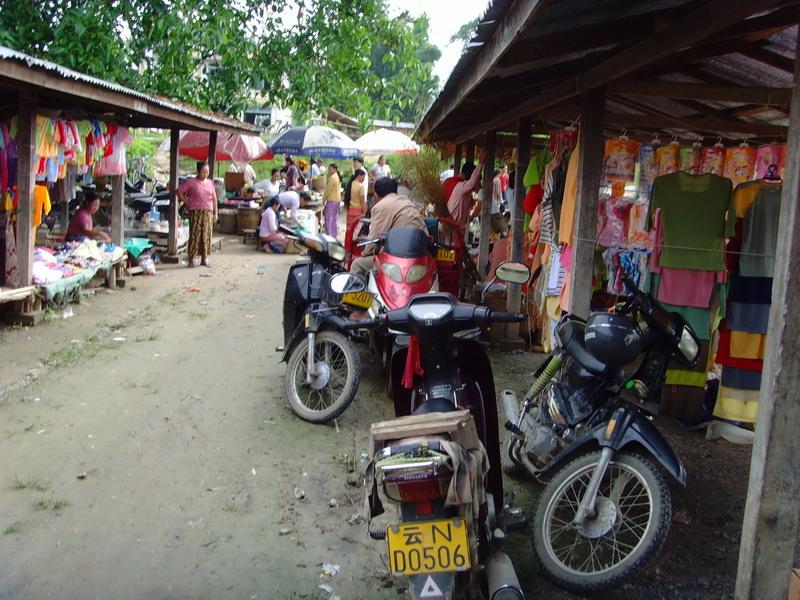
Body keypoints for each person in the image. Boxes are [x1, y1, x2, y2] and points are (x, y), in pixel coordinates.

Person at [350, 177, 427, 277]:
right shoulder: (407, 202)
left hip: (400, 257)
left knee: (357, 264)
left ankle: (358, 293)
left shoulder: (381, 206)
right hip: (421, 252)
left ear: (376, 195)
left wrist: (364, 254)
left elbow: (373, 239)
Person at [177, 160, 218, 267]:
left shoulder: (210, 183)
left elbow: (214, 199)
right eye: (203, 172)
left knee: (206, 235)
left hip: (208, 213)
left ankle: (205, 258)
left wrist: (215, 213)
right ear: (198, 171)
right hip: (195, 212)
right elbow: (179, 191)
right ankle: (191, 259)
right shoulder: (191, 182)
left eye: (207, 172)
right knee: (195, 235)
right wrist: (186, 201)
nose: (205, 174)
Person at [447, 158, 483, 233]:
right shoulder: (460, 187)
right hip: (454, 226)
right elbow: (472, 182)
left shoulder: (459, 186)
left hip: (457, 226)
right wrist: (480, 163)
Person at [344, 168, 367, 256]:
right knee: (356, 233)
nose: (364, 179)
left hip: (350, 211)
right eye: (363, 177)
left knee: (348, 231)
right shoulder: (361, 187)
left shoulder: (351, 184)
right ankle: (353, 250)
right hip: (358, 212)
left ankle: (347, 249)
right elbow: (362, 202)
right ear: (359, 176)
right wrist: (365, 212)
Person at [322, 163, 341, 237]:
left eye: (330, 169)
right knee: (334, 218)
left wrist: (324, 199)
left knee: (328, 218)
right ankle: (333, 234)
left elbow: (328, 190)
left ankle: (328, 234)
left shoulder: (332, 177)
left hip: (332, 200)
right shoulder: (337, 176)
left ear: (334, 169)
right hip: (337, 200)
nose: (329, 170)